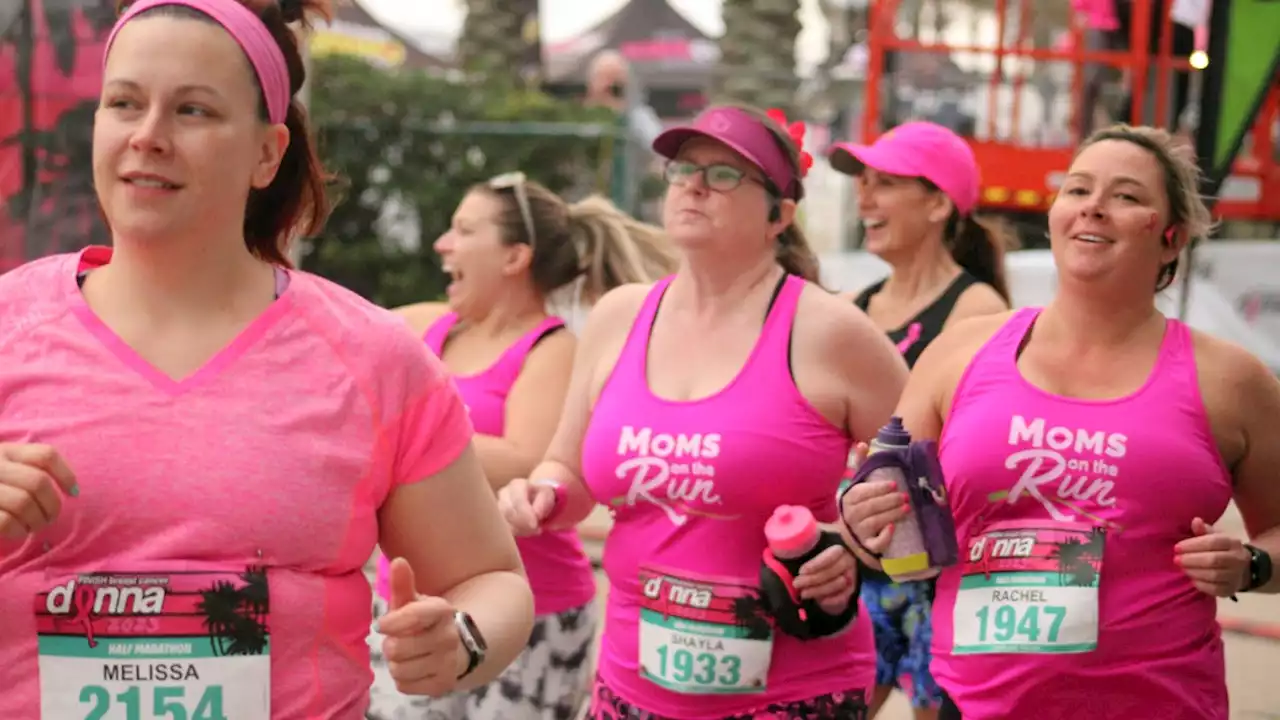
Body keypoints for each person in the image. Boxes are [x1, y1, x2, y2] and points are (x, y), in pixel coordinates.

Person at [0, 0, 536, 717]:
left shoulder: (372, 358)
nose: (148, 136)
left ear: (266, 153)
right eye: (124, 103)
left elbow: (492, 578)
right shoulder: (9, 327)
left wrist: (462, 639)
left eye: (193, 111)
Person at [841, 124, 1280, 720]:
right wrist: (865, 520)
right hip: (973, 705)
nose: (1093, 206)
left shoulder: (1232, 379)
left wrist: (1254, 566)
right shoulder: (959, 353)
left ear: (1171, 238)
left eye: (1126, 196)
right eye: (1078, 189)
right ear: (1054, 216)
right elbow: (896, 542)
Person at [497, 103, 912, 720]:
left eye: (724, 174)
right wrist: (543, 495)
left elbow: (935, 490)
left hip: (793, 695)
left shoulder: (829, 332)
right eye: (684, 168)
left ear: (781, 214)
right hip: (628, 687)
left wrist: (853, 551)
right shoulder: (621, 316)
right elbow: (570, 468)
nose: (694, 183)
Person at [367, 176, 676, 720]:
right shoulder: (421, 326)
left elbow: (525, 460)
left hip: (535, 617)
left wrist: (397, 431)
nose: (443, 243)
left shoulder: (552, 348)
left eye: (464, 230)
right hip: (413, 605)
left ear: (514, 256)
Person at [826, 122, 1012, 719]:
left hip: (938, 565)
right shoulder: (858, 305)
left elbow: (982, 447)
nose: (865, 198)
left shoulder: (978, 308)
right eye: (862, 183)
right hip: (864, 557)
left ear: (938, 204)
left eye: (885, 183)